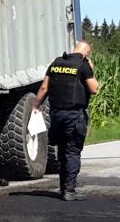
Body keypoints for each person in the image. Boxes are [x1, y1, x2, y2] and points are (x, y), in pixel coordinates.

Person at [35, 40, 100, 200]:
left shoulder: (56, 62)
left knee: (62, 151)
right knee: (72, 151)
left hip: (56, 115)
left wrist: (36, 105)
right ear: (86, 53)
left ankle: (63, 188)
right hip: (74, 115)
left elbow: (44, 87)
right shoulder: (82, 64)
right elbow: (94, 89)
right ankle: (70, 191)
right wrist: (91, 69)